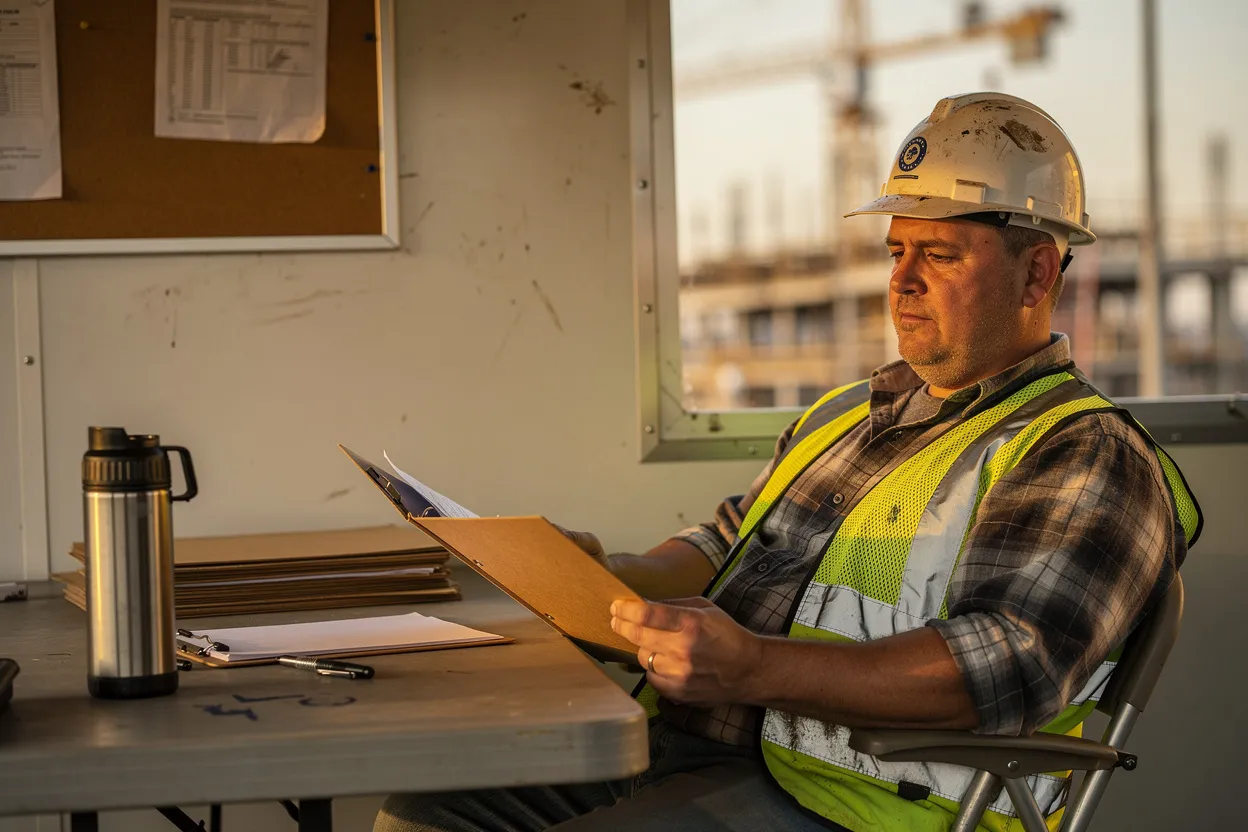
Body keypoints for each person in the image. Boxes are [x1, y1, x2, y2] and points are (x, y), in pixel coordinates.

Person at [375, 93, 1201, 832]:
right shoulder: (849, 413)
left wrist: (753, 667)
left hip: (858, 804)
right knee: (426, 810)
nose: (903, 281)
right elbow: (730, 541)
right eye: (894, 251)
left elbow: (1008, 662)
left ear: (1037, 274)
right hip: (692, 747)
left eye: (941, 255)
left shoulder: (1083, 452)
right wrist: (599, 574)